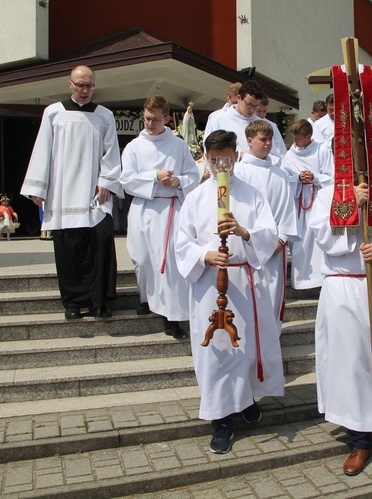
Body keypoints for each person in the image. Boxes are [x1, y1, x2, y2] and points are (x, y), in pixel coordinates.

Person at [175, 130, 283, 454]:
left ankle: (244, 398)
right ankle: (220, 420)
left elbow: (269, 234)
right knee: (216, 351)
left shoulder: (252, 194)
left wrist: (243, 231)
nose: (221, 164)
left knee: (245, 347)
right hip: (209, 282)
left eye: (227, 157)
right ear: (206, 159)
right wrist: (206, 255)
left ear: (236, 156)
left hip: (242, 278)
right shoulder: (195, 198)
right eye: (215, 158)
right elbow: (181, 243)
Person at [308, 169, 372, 476]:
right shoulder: (328, 194)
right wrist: (352, 207)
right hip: (344, 287)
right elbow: (323, 238)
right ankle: (358, 436)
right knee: (350, 364)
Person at [21, 65, 123, 321]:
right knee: (68, 250)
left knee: (100, 246)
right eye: (80, 85)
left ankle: (101, 302)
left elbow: (111, 153)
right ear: (70, 85)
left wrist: (106, 182)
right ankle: (73, 303)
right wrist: (38, 187)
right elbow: (42, 149)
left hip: (94, 194)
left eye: (89, 85)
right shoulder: (53, 113)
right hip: (63, 193)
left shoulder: (104, 115)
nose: (85, 90)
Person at [120, 95, 199, 338]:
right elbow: (126, 180)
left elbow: (193, 176)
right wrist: (155, 176)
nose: (150, 124)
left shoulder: (178, 145)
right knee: (142, 259)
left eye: (155, 119)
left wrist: (177, 181)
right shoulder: (134, 147)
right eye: (146, 118)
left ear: (166, 118)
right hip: (144, 209)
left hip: (171, 210)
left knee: (169, 264)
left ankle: (171, 316)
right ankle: (145, 298)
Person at [235, 120, 299, 322]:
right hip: (248, 244)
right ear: (249, 140)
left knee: (272, 295)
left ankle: (272, 343)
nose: (268, 144)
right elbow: (239, 208)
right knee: (249, 295)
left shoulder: (280, 173)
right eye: (262, 139)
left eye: (270, 139)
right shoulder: (239, 171)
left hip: (275, 247)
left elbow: (288, 207)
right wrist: (253, 238)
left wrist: (281, 238)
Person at [281, 119, 334, 289]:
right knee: (300, 241)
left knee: (318, 237)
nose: (295, 142)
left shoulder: (322, 151)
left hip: (318, 200)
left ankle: (320, 278)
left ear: (309, 136)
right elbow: (283, 178)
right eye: (294, 138)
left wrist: (314, 177)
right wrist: (297, 178)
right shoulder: (290, 155)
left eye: (298, 139)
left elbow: (331, 177)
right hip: (299, 204)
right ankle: (302, 280)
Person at [203, 80, 287, 162]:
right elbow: (210, 150)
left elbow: (280, 156)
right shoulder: (219, 120)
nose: (252, 109)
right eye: (249, 104)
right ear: (239, 98)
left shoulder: (266, 125)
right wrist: (240, 156)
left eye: (256, 106)